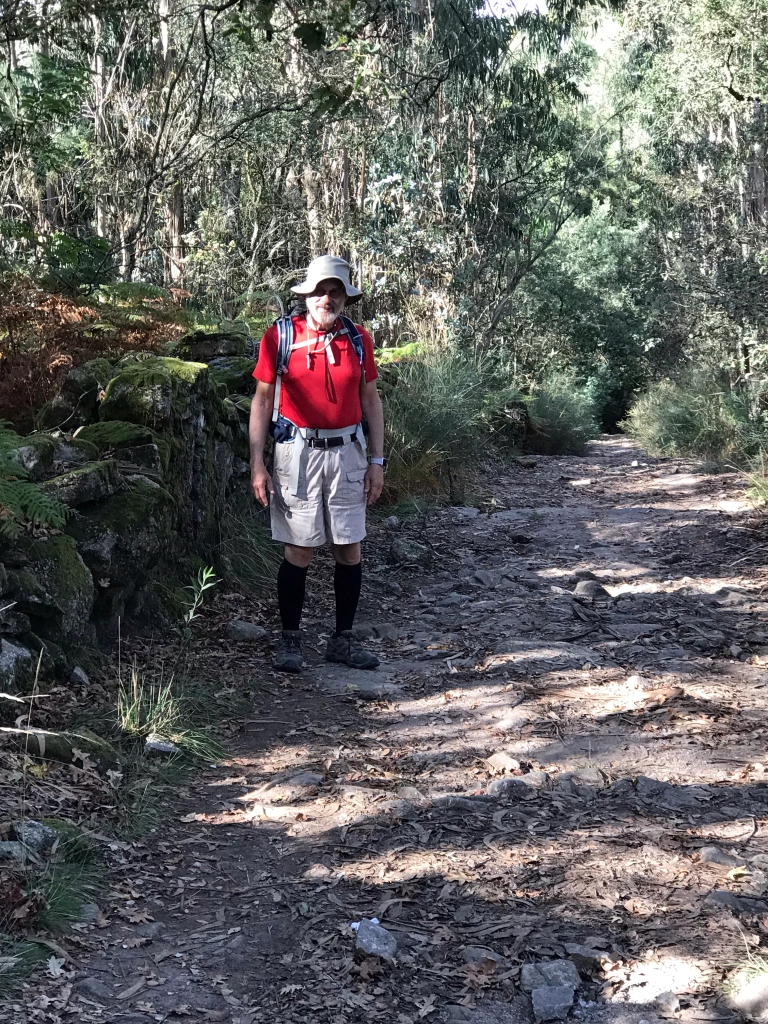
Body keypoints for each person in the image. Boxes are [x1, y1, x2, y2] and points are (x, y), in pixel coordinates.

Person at [249, 255, 386, 673]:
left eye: (336, 291)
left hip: (348, 452)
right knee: (299, 548)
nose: (328, 299)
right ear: (307, 294)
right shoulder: (280, 336)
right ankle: (290, 640)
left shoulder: (359, 339)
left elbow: (370, 401)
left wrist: (377, 461)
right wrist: (257, 462)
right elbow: (261, 400)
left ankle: (342, 641)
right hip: (297, 454)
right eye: (321, 291)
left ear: (346, 297)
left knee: (349, 548)